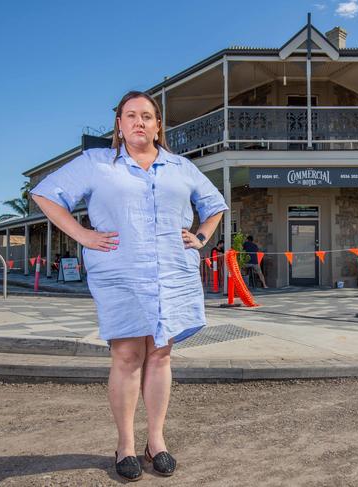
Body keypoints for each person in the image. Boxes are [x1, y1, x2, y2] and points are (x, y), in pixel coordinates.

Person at [30, 90, 228, 481]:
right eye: (131, 115)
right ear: (119, 124)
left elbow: (215, 204)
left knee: (160, 354)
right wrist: (82, 235)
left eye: (148, 116)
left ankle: (156, 440)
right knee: (126, 356)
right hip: (121, 272)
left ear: (158, 125)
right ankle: (125, 443)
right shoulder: (96, 163)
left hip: (172, 272)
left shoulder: (181, 167)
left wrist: (201, 238)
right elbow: (44, 194)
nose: (140, 122)